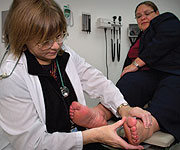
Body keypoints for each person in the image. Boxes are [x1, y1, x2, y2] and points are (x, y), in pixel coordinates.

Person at [0, 0, 147, 149]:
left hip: (78, 137)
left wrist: (123, 107)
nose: (56, 45)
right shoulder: (11, 77)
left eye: (59, 35)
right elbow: (33, 144)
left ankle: (99, 115)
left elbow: (95, 79)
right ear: (23, 38)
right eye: (46, 41)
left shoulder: (63, 53)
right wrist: (95, 134)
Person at [69, 0, 180, 146]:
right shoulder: (141, 38)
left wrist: (136, 63)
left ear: (157, 14)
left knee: (173, 87)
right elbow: (129, 68)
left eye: (147, 13)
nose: (143, 18)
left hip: (174, 72)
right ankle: (100, 113)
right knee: (131, 81)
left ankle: (145, 127)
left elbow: (166, 39)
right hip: (150, 75)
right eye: (138, 16)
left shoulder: (167, 20)